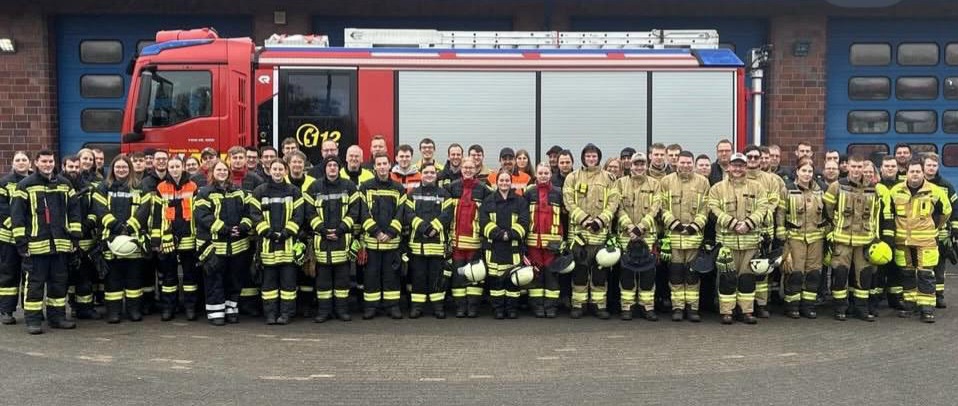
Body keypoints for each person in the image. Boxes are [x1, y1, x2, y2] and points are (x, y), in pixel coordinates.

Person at [10, 150, 82, 334]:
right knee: (35, 285)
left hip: (60, 245)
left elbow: (74, 212)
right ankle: (33, 321)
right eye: (44, 161)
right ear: (36, 163)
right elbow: (17, 217)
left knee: (59, 283)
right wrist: (21, 243)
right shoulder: (25, 186)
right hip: (36, 246)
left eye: (50, 161)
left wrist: (75, 237)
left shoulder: (65, 185)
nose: (48, 164)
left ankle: (57, 318)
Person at [883, 158, 952, 323]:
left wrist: (935, 227)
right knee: (906, 274)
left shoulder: (935, 191)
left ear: (923, 173)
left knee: (925, 274)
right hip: (903, 241)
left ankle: (927, 309)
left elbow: (946, 212)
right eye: (912, 171)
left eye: (918, 171)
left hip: (925, 240)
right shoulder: (896, 191)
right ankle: (909, 304)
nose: (915, 175)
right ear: (906, 173)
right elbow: (888, 213)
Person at [709, 152, 772, 324]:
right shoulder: (717, 188)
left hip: (750, 242)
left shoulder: (757, 187)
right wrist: (733, 224)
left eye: (741, 165)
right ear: (728, 167)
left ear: (746, 167)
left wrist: (749, 224)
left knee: (747, 279)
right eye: (734, 165)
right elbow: (713, 209)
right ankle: (727, 312)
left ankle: (746, 311)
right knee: (727, 278)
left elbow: (763, 207)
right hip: (727, 243)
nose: (737, 168)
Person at [93, 155, 153, 324]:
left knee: (134, 277)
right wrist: (116, 226)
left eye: (124, 167)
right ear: (112, 169)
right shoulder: (103, 187)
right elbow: (100, 209)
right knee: (113, 279)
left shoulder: (140, 187)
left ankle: (134, 310)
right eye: (118, 167)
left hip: (133, 239)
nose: (121, 170)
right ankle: (114, 312)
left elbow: (144, 210)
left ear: (130, 169)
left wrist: (129, 227)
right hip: (110, 239)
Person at [194, 160, 255, 326]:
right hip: (215, 245)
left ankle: (231, 310)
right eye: (218, 170)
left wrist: (243, 227)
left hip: (238, 246)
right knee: (214, 279)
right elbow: (203, 216)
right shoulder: (204, 193)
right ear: (212, 173)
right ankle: (216, 312)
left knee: (234, 279)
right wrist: (225, 229)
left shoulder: (239, 192)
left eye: (224, 170)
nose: (222, 172)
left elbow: (250, 212)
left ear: (229, 173)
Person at [563, 143, 620, 319]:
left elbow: (613, 203)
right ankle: (578, 305)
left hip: (600, 234)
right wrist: (585, 220)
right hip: (578, 235)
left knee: (599, 274)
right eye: (588, 156)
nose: (591, 159)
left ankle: (599, 306)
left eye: (594, 156)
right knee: (579, 272)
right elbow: (568, 201)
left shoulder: (609, 178)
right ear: (583, 158)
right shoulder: (572, 177)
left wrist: (600, 221)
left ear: (599, 158)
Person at [823, 154, 881, 321]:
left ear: (864, 168)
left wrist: (875, 237)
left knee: (864, 275)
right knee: (840, 274)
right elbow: (827, 210)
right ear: (847, 167)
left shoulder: (872, 188)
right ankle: (840, 308)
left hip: (864, 240)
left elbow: (875, 214)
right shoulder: (836, 186)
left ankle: (861, 309)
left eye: (859, 167)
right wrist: (831, 230)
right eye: (853, 167)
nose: (856, 170)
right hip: (842, 240)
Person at [250, 159, 305, 325]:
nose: (277, 172)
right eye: (275, 169)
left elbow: (299, 215)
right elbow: (254, 214)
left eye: (281, 169)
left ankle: (286, 314)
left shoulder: (294, 191)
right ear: (269, 170)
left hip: (288, 246)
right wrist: (267, 232)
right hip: (267, 246)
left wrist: (286, 232)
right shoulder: (259, 191)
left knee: (288, 284)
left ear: (285, 171)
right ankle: (270, 314)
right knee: (269, 285)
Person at [306, 157, 360, 323]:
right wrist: (322, 229)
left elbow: (354, 211)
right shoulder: (314, 187)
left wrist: (341, 229)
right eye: (329, 165)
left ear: (339, 168)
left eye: (335, 165)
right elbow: (309, 212)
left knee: (342, 280)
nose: (332, 168)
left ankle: (342, 311)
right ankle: (324, 312)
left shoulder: (349, 186)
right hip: (322, 241)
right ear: (324, 168)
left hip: (342, 240)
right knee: (323, 281)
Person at [659, 151, 711, 322]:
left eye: (689, 162)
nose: (686, 165)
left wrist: (695, 226)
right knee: (676, 274)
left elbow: (706, 207)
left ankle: (692, 308)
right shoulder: (666, 181)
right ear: (676, 163)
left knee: (692, 275)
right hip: (674, 238)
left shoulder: (703, 182)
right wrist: (675, 225)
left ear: (693, 164)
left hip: (694, 238)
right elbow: (662, 206)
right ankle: (678, 307)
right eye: (683, 162)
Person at [149, 155, 201, 321]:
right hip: (168, 239)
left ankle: (190, 308)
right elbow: (157, 215)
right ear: (168, 169)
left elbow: (198, 214)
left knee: (190, 276)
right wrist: (156, 240)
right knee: (169, 276)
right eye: (171, 167)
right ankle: (168, 308)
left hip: (189, 237)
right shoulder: (161, 187)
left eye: (177, 166)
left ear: (183, 167)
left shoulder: (193, 186)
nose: (174, 169)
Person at [777, 158, 828, 319]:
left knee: (813, 273)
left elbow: (828, 213)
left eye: (810, 171)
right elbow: (780, 213)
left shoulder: (821, 190)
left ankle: (808, 306)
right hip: (794, 238)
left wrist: (827, 230)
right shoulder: (787, 190)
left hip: (816, 239)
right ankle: (792, 306)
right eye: (804, 170)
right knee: (795, 273)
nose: (807, 174)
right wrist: (781, 234)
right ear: (797, 171)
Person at [614, 152, 661, 321]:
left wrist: (641, 227)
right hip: (626, 236)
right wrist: (629, 226)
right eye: (636, 164)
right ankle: (627, 307)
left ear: (646, 165)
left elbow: (656, 207)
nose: (639, 167)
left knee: (648, 274)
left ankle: (647, 307)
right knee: (627, 274)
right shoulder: (620, 183)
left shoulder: (655, 184)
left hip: (647, 235)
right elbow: (617, 207)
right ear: (630, 166)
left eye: (642, 164)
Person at [359, 152, 406, 319]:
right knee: (371, 275)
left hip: (392, 243)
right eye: (378, 164)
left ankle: (392, 306)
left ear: (390, 166)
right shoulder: (365, 187)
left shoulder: (398, 188)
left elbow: (401, 213)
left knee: (391, 276)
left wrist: (391, 233)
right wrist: (377, 232)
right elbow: (363, 212)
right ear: (374, 167)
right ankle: (371, 307)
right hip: (372, 242)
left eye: (384, 163)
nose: (382, 167)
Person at [404, 163, 452, 319]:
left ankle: (438, 307)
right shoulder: (413, 194)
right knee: (418, 277)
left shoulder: (445, 194)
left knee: (436, 277)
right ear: (421, 174)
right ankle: (417, 307)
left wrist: (434, 228)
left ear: (436, 175)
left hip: (437, 245)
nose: (429, 174)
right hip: (417, 245)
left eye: (432, 172)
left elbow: (447, 214)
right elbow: (409, 215)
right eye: (426, 172)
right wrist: (425, 228)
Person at [480, 170, 530, 319]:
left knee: (512, 280)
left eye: (507, 180)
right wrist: (500, 234)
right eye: (501, 180)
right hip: (494, 247)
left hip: (513, 247)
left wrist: (510, 234)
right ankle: (498, 309)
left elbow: (524, 221)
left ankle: (512, 309)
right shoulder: (488, 201)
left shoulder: (520, 201)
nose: (504, 183)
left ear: (511, 182)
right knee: (496, 281)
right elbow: (483, 222)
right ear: (496, 182)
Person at [446, 157, 492, 318]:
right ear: (461, 169)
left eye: (471, 168)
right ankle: (460, 307)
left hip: (475, 242)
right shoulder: (452, 188)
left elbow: (488, 216)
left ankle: (472, 307)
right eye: (465, 167)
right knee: (458, 276)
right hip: (456, 241)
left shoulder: (484, 190)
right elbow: (446, 214)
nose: (467, 170)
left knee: (475, 276)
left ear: (476, 169)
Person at [743, 145, 785, 318]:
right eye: (749, 157)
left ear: (761, 159)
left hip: (764, 231)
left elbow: (773, 201)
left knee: (762, 270)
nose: (752, 160)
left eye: (755, 157)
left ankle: (761, 304)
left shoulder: (771, 180)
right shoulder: (738, 177)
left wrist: (757, 217)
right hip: (744, 230)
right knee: (744, 269)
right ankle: (745, 304)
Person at [226, 146, 265, 315]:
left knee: (249, 270)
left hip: (249, 234)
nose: (237, 160)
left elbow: (257, 207)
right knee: (231, 270)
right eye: (234, 157)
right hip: (228, 234)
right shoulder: (224, 178)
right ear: (229, 159)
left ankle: (249, 304)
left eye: (240, 157)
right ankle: (233, 302)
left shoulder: (255, 179)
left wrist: (247, 226)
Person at [61, 155, 99, 321]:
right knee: (65, 278)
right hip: (64, 240)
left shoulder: (89, 188)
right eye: (71, 167)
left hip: (85, 240)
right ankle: (71, 307)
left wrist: (85, 227)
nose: (74, 170)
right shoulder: (58, 187)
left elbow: (95, 211)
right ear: (64, 167)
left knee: (85, 277)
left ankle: (85, 309)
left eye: (77, 167)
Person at [524, 163, 564, 318]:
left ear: (550, 174)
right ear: (536, 175)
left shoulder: (557, 193)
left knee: (551, 275)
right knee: (536, 275)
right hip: (533, 242)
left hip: (552, 244)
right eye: (540, 172)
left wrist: (562, 240)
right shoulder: (529, 193)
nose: (543, 175)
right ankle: (538, 306)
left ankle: (551, 306)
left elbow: (564, 219)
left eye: (546, 173)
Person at [921, 153, 958, 308]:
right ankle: (924, 295)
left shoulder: (946, 185)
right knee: (922, 266)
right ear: (923, 166)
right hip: (921, 232)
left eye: (934, 165)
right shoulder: (917, 183)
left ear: (938, 167)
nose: (931, 168)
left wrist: (955, 228)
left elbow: (955, 208)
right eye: (929, 165)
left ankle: (939, 296)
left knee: (939, 266)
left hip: (941, 234)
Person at [0, 151, 32, 324]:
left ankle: (30, 309)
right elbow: (2, 209)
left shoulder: (35, 181)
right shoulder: (5, 183)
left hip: (31, 237)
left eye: (24, 160)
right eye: (17, 160)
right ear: (12, 163)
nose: (21, 163)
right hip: (9, 239)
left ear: (30, 163)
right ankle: (6, 310)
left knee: (30, 276)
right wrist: (17, 228)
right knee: (9, 274)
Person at [875, 155, 903, 310]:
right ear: (881, 168)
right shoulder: (876, 187)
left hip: (899, 233)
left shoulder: (903, 187)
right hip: (880, 234)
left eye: (893, 166)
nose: (890, 169)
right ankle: (877, 298)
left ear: (897, 168)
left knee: (896, 268)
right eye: (887, 166)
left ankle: (895, 299)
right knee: (879, 268)